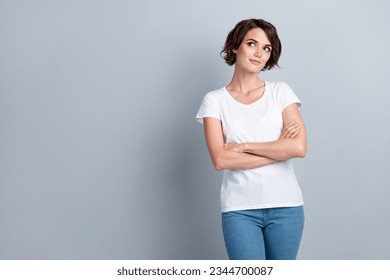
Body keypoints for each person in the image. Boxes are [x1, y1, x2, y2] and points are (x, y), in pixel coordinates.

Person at [195, 19, 307, 260]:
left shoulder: (281, 92)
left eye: (266, 48)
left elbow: (298, 147)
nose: (259, 53)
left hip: (286, 207)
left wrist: (244, 147)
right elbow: (221, 160)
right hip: (239, 210)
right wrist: (278, 149)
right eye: (252, 44)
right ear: (236, 46)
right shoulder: (215, 100)